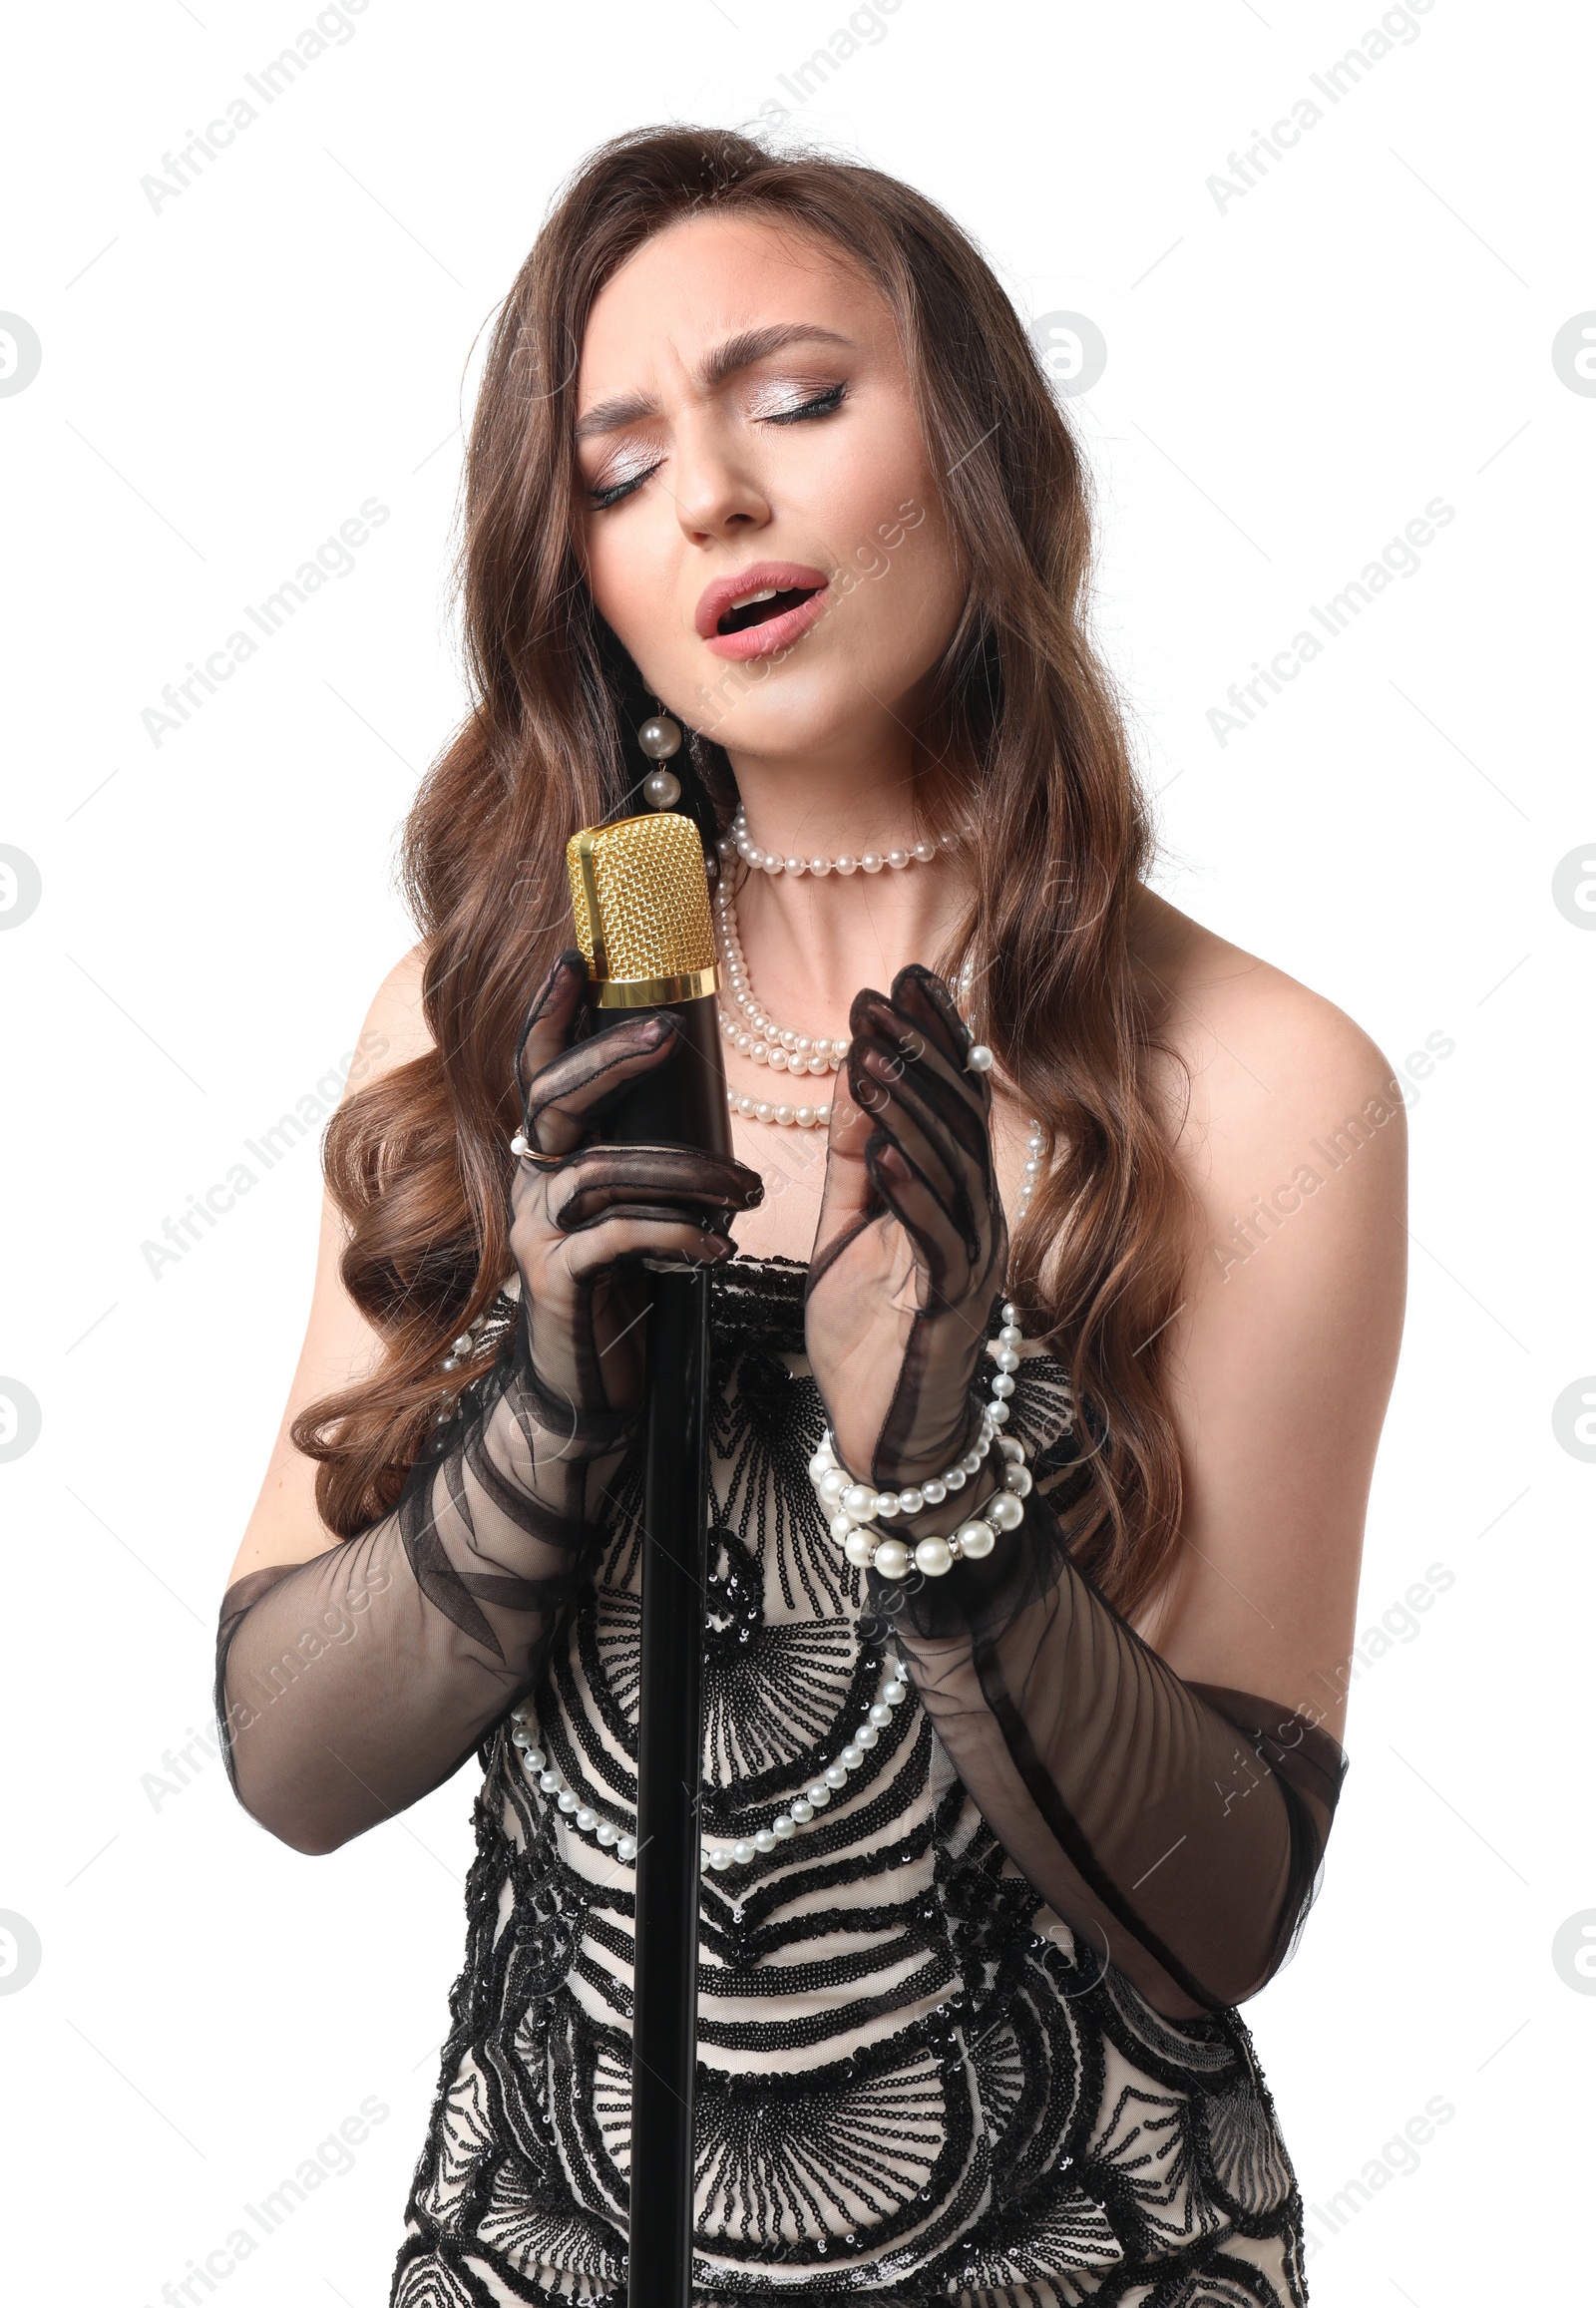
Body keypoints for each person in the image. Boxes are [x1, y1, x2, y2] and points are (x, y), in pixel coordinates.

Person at [213, 127, 1407, 2308]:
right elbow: (287, 1758)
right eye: (613, 461)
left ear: (973, 448)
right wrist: (553, 1408)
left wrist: (934, 1477)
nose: (711, 500)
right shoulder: (495, 1017)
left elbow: (1219, 1906)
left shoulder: (1256, 1080)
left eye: (792, 400)